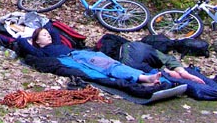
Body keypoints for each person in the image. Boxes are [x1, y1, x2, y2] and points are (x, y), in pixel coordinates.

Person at [16, 28, 163, 85]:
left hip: (81, 54)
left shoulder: (55, 44)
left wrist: (45, 28)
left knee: (111, 64)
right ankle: (143, 78)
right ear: (37, 41)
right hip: (74, 59)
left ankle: (143, 76)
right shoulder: (41, 52)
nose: (48, 36)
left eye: (47, 34)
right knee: (107, 68)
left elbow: (53, 31)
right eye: (43, 35)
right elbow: (23, 44)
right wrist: (23, 35)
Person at [96, 34, 206, 85]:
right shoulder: (147, 46)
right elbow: (167, 58)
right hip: (142, 48)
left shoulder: (105, 44)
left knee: (140, 68)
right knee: (165, 60)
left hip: (127, 54)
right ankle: (180, 71)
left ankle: (165, 73)